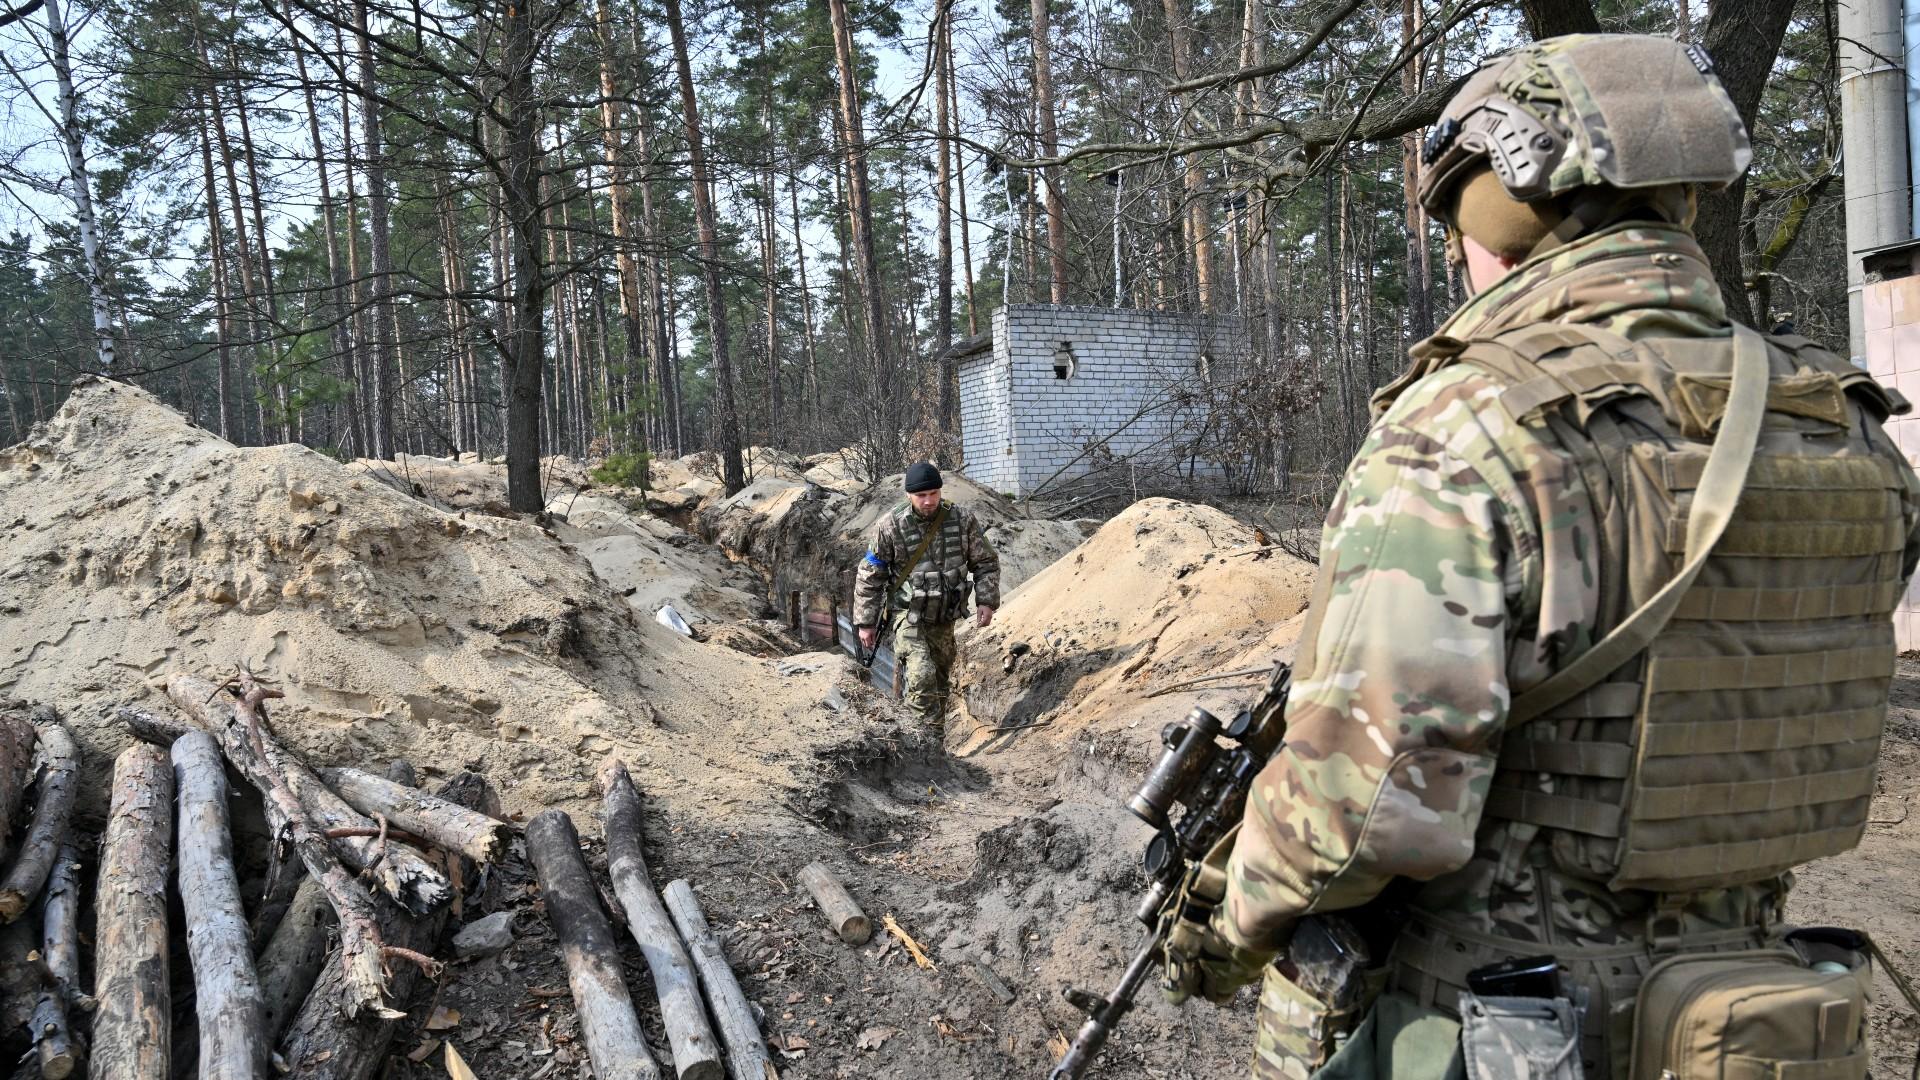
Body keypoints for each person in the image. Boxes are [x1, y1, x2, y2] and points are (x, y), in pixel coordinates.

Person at [1162, 33, 1920, 1080]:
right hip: (1762, 1028)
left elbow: (1374, 806)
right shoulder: (1848, 430)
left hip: (1511, 1031)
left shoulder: (1468, 428)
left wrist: (1229, 922)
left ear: (1499, 204)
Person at [852, 462, 1000, 734]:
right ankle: (922, 746)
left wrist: (986, 600)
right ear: (908, 495)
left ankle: (934, 746)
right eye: (921, 495)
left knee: (940, 682)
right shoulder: (890, 526)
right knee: (921, 676)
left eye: (934, 493)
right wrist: (866, 622)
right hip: (907, 616)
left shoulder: (962, 520)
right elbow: (870, 574)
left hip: (945, 615)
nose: (929, 501)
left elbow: (986, 562)